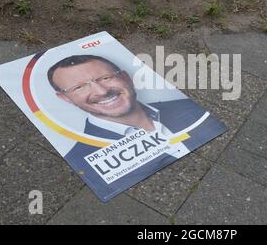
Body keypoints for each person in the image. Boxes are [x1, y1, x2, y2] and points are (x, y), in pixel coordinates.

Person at [47, 55, 226, 201]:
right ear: (66, 99)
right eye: (78, 87)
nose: (101, 91)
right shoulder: (81, 159)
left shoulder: (187, 107)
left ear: (125, 77)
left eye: (106, 78)